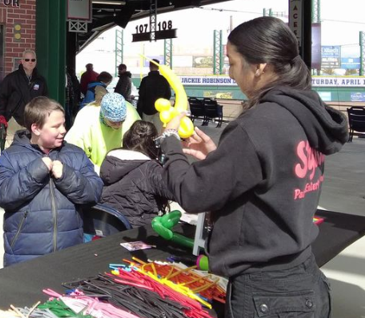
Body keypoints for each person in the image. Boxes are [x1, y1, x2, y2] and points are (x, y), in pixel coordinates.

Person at [160, 16, 347, 318]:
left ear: (259, 66)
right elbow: (274, 177)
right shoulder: (304, 114)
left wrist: (169, 141)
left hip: (266, 292)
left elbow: (193, 193)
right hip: (305, 278)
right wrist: (217, 156)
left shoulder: (259, 124)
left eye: (232, 63)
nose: (229, 73)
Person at [0, 97, 102, 267]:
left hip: (70, 252)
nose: (63, 130)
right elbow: (2, 194)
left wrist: (66, 175)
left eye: (64, 124)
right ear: (36, 128)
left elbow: (94, 192)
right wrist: (37, 170)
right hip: (25, 256)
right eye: (56, 126)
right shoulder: (11, 156)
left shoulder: (75, 154)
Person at [99, 121, 174, 228]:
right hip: (136, 233)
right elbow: (183, 191)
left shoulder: (110, 161)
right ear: (154, 146)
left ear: (127, 137)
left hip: (107, 228)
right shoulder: (150, 169)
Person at [66, 92, 140, 168]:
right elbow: (74, 152)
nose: (118, 125)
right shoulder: (87, 118)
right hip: (94, 170)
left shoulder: (131, 113)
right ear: (103, 115)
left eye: (122, 121)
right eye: (113, 122)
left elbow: (141, 145)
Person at [0, 49, 47, 147]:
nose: (30, 62)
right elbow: (2, 98)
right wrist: (1, 115)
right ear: (22, 61)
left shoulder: (41, 81)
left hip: (34, 120)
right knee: (11, 146)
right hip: (14, 119)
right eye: (27, 60)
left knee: (34, 146)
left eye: (33, 60)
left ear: (36, 62)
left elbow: (44, 101)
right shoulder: (11, 78)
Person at [136, 60, 172, 133]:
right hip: (159, 109)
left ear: (149, 67)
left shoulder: (145, 80)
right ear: (158, 67)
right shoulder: (164, 80)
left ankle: (146, 143)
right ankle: (158, 144)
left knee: (145, 130)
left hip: (146, 109)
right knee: (158, 130)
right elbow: (168, 94)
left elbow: (141, 94)